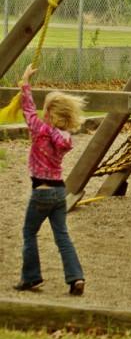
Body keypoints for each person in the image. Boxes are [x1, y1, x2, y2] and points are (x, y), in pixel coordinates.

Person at [14, 64, 86, 295]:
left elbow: (27, 109)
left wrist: (25, 82)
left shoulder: (40, 130)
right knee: (62, 235)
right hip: (59, 192)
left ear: (50, 113)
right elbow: (36, 115)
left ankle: (31, 277)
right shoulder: (64, 137)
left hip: (42, 191)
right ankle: (76, 277)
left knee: (29, 233)